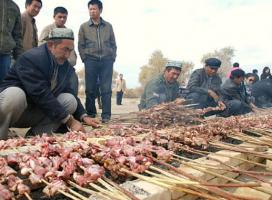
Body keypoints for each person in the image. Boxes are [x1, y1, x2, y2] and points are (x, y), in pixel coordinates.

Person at [0, 28, 99, 140]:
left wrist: (84, 116)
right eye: (65, 49)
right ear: (51, 45)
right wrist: (70, 121)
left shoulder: (65, 67)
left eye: (70, 51)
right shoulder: (32, 58)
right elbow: (40, 94)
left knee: (69, 100)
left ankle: (36, 137)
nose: (67, 55)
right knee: (15, 95)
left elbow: (69, 91)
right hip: (14, 111)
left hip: (36, 111)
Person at [78, 0, 117, 123]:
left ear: (100, 10)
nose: (92, 11)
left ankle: (106, 115)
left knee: (106, 89)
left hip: (106, 61)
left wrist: (112, 57)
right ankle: (90, 113)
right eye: (90, 9)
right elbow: (81, 45)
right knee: (90, 88)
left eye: (94, 9)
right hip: (91, 60)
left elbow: (113, 44)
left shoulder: (108, 26)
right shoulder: (83, 27)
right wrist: (85, 59)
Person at [38, 6, 78, 94]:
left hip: (65, 65)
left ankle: (73, 103)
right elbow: (41, 47)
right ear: (54, 17)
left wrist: (71, 61)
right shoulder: (47, 29)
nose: (62, 19)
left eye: (64, 17)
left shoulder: (68, 32)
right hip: (50, 65)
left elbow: (71, 49)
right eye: (60, 17)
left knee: (73, 81)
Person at [0, 0, 23, 82]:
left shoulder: (14, 7)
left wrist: (19, 57)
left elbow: (17, 34)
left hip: (5, 55)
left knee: (3, 86)